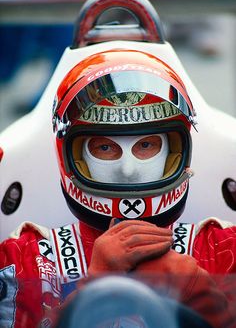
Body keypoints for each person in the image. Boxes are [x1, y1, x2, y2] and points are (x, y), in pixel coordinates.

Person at [1, 49, 236, 328]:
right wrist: (95, 285)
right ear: (73, 158)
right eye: (105, 147)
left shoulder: (224, 247)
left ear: (176, 151)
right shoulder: (24, 256)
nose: (128, 169)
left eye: (146, 145)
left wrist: (201, 296)